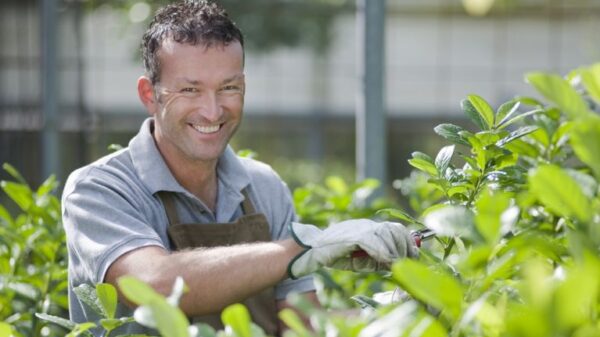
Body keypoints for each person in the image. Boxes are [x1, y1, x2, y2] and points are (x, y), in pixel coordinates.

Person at [61, 1, 418, 336]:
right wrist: (304, 249)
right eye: (190, 90)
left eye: (228, 88)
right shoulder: (98, 189)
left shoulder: (264, 187)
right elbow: (152, 285)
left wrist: (395, 313)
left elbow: (300, 326)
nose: (212, 111)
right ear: (149, 95)